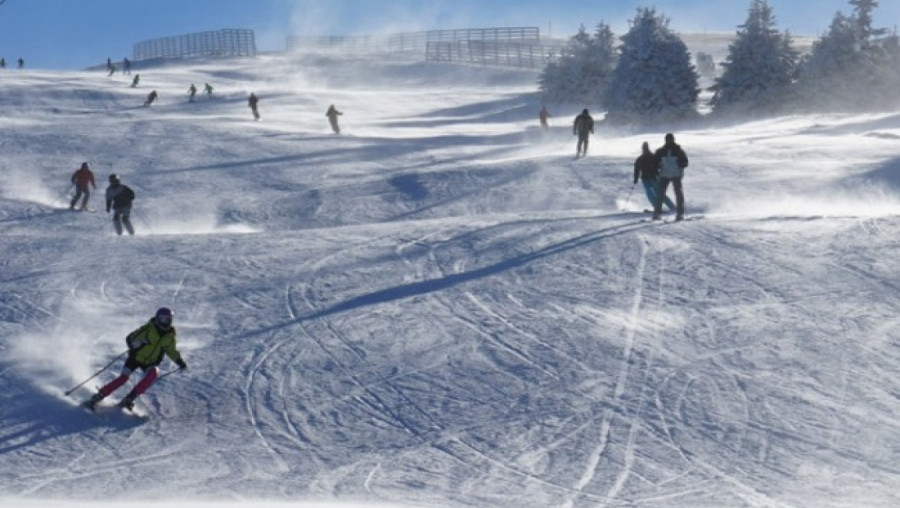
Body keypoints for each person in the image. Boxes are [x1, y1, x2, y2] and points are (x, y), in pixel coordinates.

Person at [84, 307, 187, 411]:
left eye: (169, 319)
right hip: (135, 358)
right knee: (123, 378)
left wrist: (180, 362)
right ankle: (100, 395)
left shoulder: (170, 336)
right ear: (157, 318)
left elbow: (171, 350)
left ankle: (129, 399)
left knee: (153, 374)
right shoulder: (149, 328)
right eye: (163, 319)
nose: (166, 322)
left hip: (150, 362)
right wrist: (136, 343)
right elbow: (130, 337)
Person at [652, 133, 689, 221]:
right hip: (674, 175)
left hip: (666, 175)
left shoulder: (661, 151)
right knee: (677, 194)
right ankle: (679, 214)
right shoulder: (678, 150)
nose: (669, 142)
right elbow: (685, 163)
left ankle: (657, 214)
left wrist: (657, 170)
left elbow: (654, 163)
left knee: (661, 194)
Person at [633, 142, 675, 214]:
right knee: (650, 194)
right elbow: (637, 169)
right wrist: (636, 179)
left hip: (654, 178)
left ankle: (672, 207)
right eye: (644, 148)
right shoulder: (640, 159)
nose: (645, 150)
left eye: (645, 148)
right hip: (645, 178)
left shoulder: (652, 157)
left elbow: (660, 165)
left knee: (659, 193)